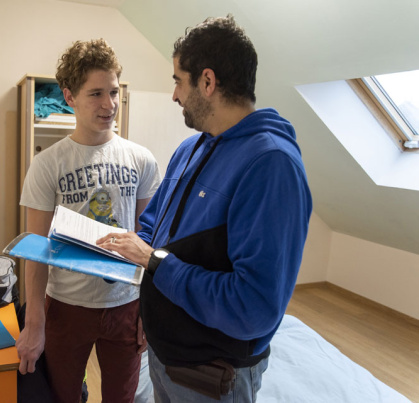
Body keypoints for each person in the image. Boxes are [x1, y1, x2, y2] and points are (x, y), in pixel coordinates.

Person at [97, 15, 313, 402]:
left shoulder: (271, 166)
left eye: (179, 80)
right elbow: (153, 227)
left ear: (208, 82)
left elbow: (254, 308)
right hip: (166, 356)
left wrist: (156, 264)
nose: (175, 95)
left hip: (212, 374)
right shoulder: (190, 148)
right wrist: (117, 253)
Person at [16, 39, 160, 403]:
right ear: (69, 96)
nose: (108, 104)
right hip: (66, 305)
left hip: (126, 302)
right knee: (64, 396)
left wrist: (148, 307)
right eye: (95, 93)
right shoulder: (48, 164)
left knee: (121, 398)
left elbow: (149, 240)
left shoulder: (141, 160)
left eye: (113, 92)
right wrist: (35, 323)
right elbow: (36, 250)